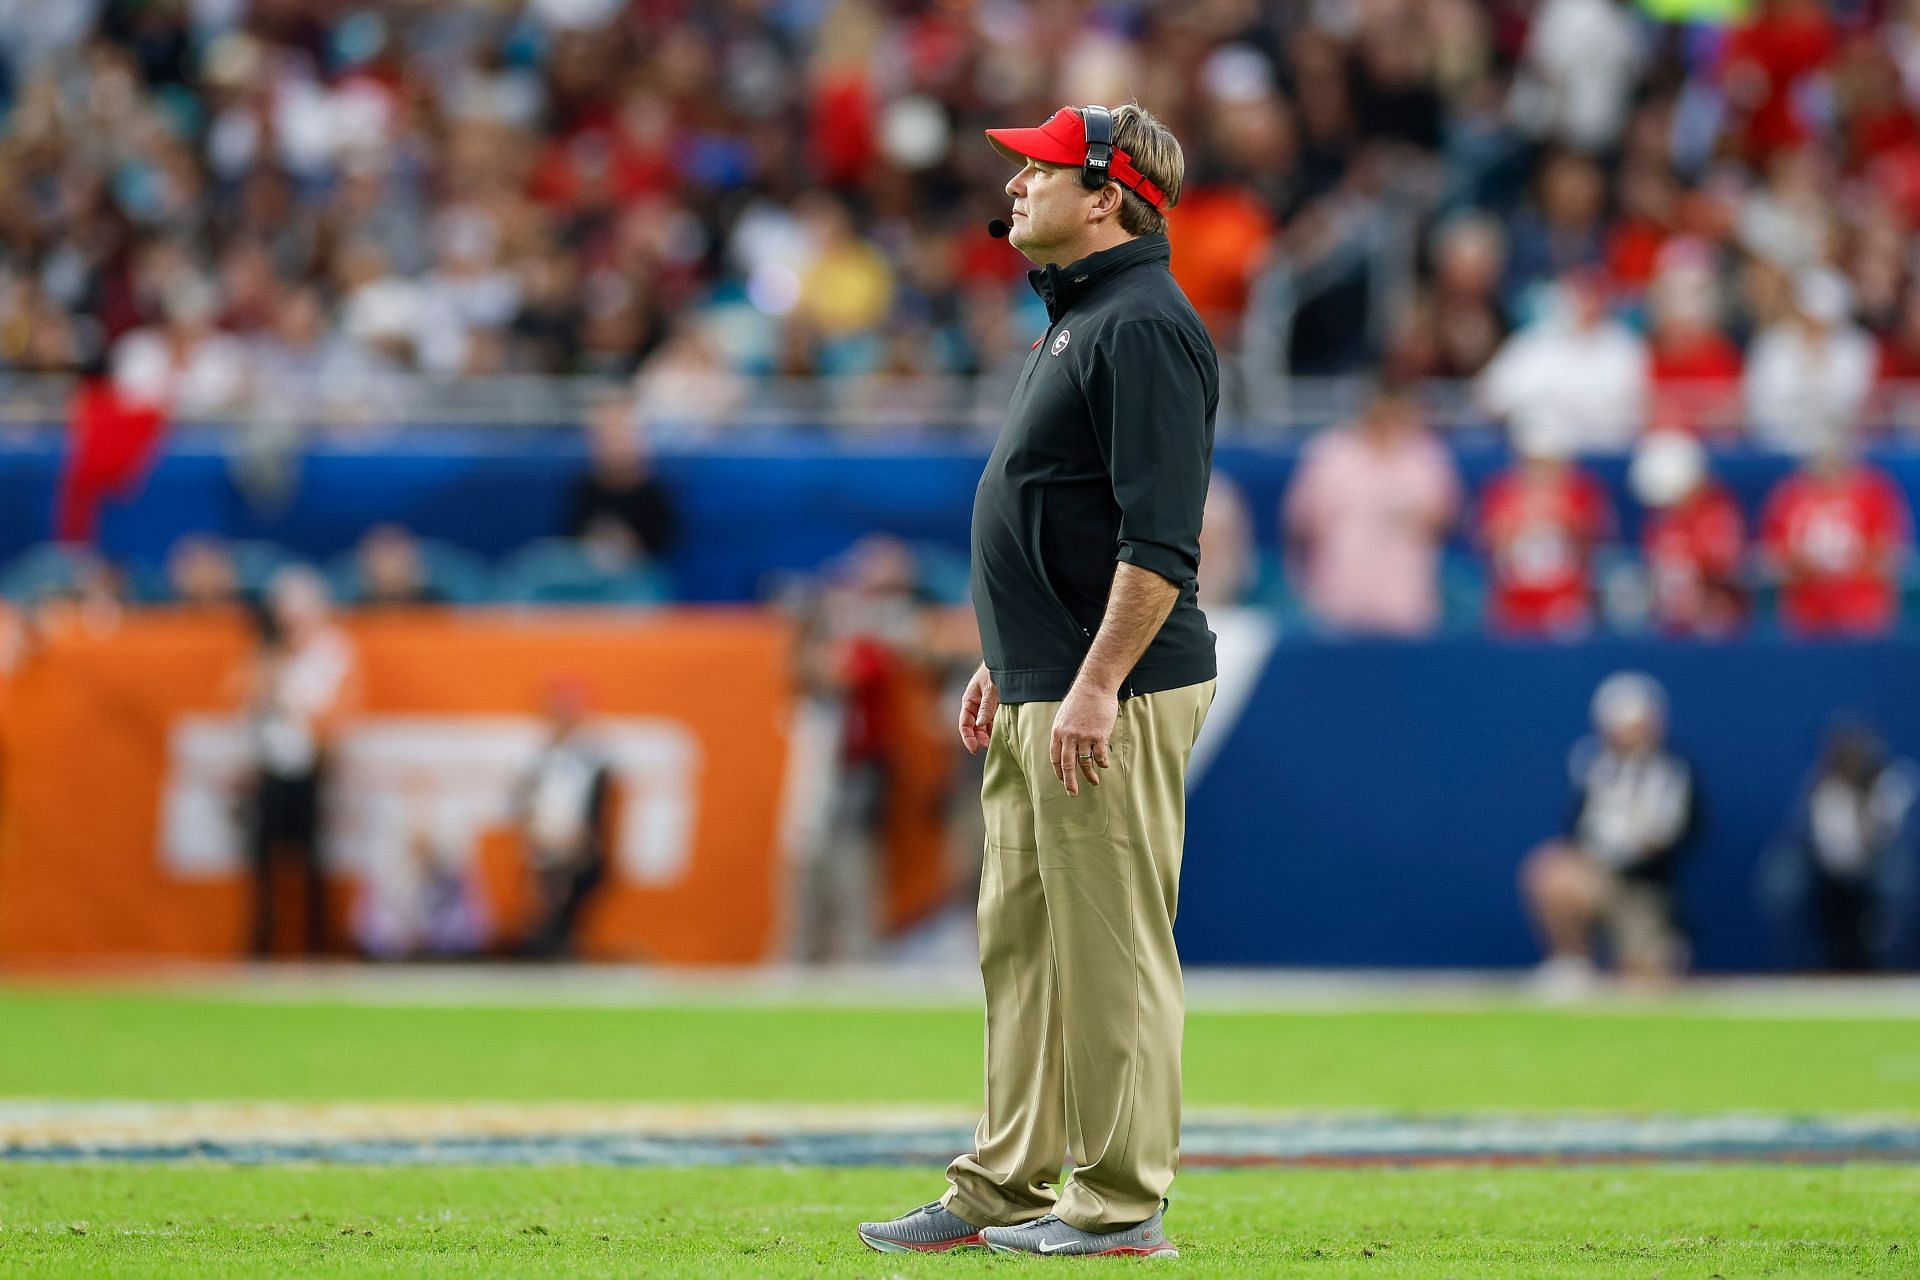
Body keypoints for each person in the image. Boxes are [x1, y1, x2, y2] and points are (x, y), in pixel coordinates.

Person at [859, 103, 1212, 1260]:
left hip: (1109, 688)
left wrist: (1098, 680)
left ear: (1105, 194)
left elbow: (1158, 542)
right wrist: (1005, 659)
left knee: (1111, 949)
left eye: (1038, 169)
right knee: (1023, 947)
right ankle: (1004, 1182)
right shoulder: (1085, 318)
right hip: (1043, 681)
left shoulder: (1144, 325)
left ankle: (1121, 1203)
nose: (1012, 184)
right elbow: (1063, 518)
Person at [1519, 672, 1696, 996]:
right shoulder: (1591, 764)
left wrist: (1634, 847)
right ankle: (1572, 961)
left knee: (1645, 984)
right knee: (1551, 868)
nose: (1630, 734)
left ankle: (1658, 946)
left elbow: (1673, 838)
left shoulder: (1673, 770)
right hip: (1598, 876)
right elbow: (1577, 829)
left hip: (1643, 889)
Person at [237, 566, 361, 957]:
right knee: (262, 861)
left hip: (310, 766)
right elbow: (241, 698)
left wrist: (295, 704)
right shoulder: (268, 652)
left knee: (311, 860)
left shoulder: (333, 652)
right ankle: (263, 944)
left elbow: (337, 715)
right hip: (270, 765)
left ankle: (315, 945)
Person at [1283, 378, 1461, 636]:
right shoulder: (1331, 454)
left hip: (1406, 602)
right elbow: (1301, 524)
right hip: (1338, 600)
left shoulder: (1425, 455)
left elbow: (1446, 520)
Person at [1759, 719, 1919, 972]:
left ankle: (1891, 963)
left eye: (1859, 754)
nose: (1853, 762)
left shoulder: (1892, 785)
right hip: (1828, 876)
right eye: (1846, 755)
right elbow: (1826, 847)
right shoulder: (1820, 792)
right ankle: (1797, 968)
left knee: (1897, 875)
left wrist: (1870, 808)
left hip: (1875, 877)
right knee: (1784, 877)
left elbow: (1884, 839)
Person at [1758, 427, 1913, 637]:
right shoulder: (1788, 498)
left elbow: (1891, 553)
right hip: (1805, 611)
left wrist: (1851, 566)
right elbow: (1773, 557)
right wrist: (1807, 567)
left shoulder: (1875, 495)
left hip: (1863, 610)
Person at [1476, 414, 1616, 637]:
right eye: (1535, 462)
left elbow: (1599, 536)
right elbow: (1487, 539)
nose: (1542, 471)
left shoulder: (1582, 491)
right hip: (1514, 598)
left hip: (1567, 598)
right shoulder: (1502, 492)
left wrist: (1561, 513)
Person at [511, 677, 614, 959]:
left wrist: (586, 838)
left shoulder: (590, 756)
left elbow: (596, 802)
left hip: (576, 846)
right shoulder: (540, 757)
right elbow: (525, 800)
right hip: (545, 844)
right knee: (545, 903)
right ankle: (547, 952)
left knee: (570, 903)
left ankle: (562, 948)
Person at [1630, 431, 1748, 637]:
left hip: (1710, 628)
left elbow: (1724, 574)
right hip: (1668, 624)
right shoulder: (1660, 519)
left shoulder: (1716, 517)